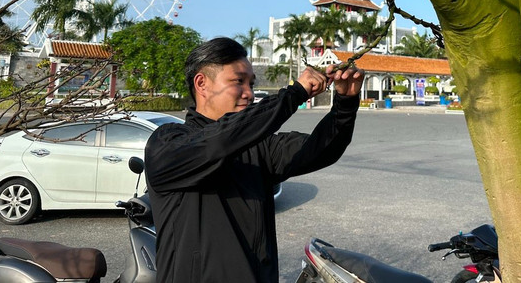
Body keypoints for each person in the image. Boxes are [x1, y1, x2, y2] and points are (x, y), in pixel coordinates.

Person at [144, 37, 364, 283]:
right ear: (202, 83)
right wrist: (294, 93)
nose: (249, 94)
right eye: (239, 81)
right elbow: (218, 141)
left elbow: (320, 149)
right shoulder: (168, 144)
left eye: (251, 83)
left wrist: (345, 104)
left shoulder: (260, 148)